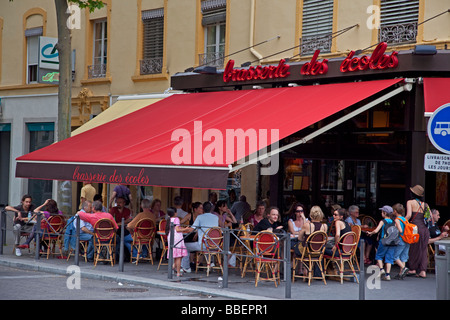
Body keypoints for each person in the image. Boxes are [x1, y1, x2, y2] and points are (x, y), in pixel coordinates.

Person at [180, 202, 219, 273]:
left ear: (203, 209)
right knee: (207, 244)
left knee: (184, 246)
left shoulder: (200, 217)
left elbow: (192, 229)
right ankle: (210, 263)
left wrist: (183, 229)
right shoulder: (216, 217)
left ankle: (186, 267)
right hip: (215, 245)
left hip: (203, 246)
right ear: (211, 209)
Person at [405, 185, 430, 278]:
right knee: (423, 249)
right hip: (424, 229)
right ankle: (423, 271)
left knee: (413, 249)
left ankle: (413, 269)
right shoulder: (426, 205)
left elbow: (408, 215)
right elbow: (429, 218)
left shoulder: (410, 202)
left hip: (415, 228)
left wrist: (400, 221)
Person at [367, 206, 397, 281]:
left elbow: (376, 230)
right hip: (392, 242)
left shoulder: (383, 221)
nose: (381, 213)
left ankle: (381, 269)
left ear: (385, 213)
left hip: (383, 241)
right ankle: (388, 275)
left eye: (382, 212)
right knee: (389, 258)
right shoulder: (394, 222)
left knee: (379, 256)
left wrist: (370, 232)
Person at [165, 207, 188, 277]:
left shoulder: (169, 219)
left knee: (175, 254)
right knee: (179, 256)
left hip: (171, 237)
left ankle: (172, 267)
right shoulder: (176, 219)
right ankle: (178, 272)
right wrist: (185, 229)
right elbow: (177, 229)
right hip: (177, 238)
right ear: (175, 213)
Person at [392, 203, 410, 280]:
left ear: (395, 211)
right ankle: (401, 274)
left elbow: (400, 230)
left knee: (395, 256)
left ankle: (403, 268)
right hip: (407, 240)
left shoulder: (397, 220)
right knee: (403, 257)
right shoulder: (405, 219)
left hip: (401, 240)